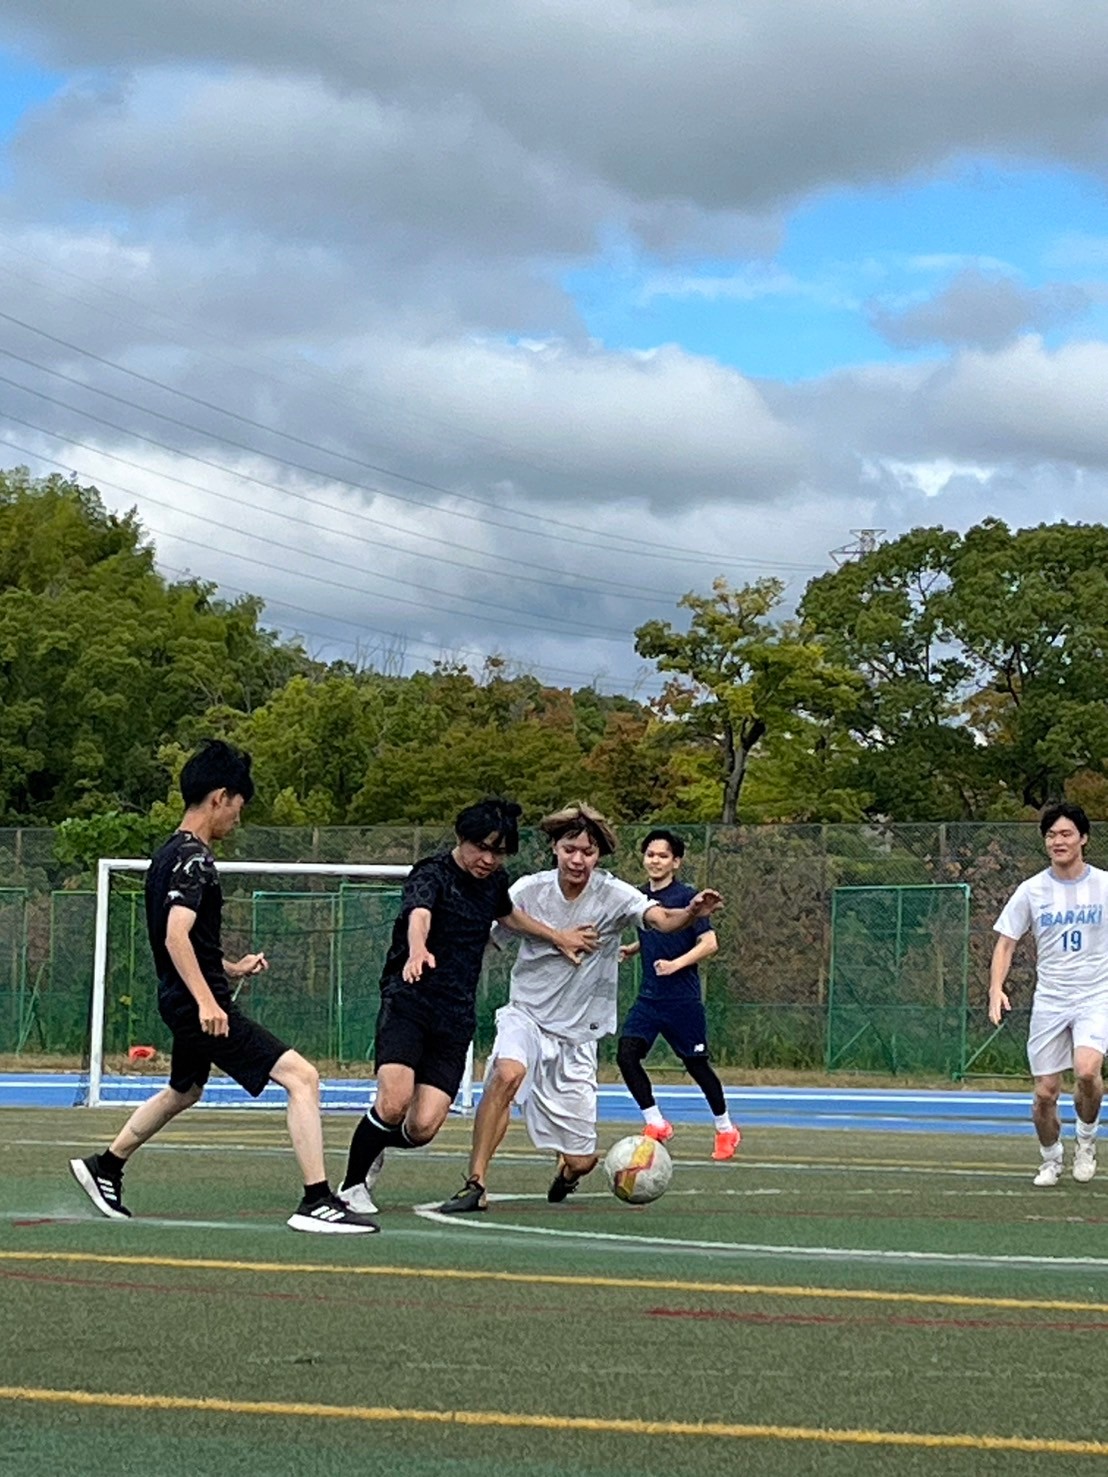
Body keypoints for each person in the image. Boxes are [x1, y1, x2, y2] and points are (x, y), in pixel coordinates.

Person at [68, 740, 379, 1233]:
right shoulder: (194, 858)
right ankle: (317, 1200)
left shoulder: (168, 854)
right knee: (302, 1078)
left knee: (185, 1090)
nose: (238, 817)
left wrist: (230, 968)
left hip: (182, 999)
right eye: (238, 805)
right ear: (219, 797)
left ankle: (106, 1166)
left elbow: (186, 938)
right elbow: (174, 936)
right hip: (196, 1006)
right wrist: (208, 1001)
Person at [438, 802, 723, 1213]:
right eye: (569, 849)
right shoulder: (528, 891)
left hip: (577, 1038)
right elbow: (486, 938)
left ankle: (567, 1172)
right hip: (527, 1015)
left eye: (587, 852)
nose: (577, 859)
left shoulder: (615, 894)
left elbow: (661, 918)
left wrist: (692, 911)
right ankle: (475, 1183)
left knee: (582, 1160)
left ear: (598, 855)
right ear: (554, 848)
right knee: (506, 1074)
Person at [337, 798, 597, 1214]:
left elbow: (510, 916)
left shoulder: (494, 882)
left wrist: (558, 936)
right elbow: (418, 915)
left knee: (422, 1127)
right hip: (410, 999)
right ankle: (352, 1185)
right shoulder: (432, 873)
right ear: (462, 838)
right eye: (482, 848)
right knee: (394, 1100)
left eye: (499, 852)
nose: (489, 859)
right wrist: (417, 950)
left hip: (455, 1015)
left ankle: (377, 1140)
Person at [989, 800, 1108, 1187]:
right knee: (1045, 1094)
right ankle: (1051, 1157)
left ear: (1083, 838)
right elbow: (1006, 942)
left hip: (1095, 995)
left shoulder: (1104, 885)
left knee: (1087, 1071)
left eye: (1066, 834)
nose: (1058, 841)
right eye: (1051, 835)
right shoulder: (1032, 890)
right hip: (1051, 1000)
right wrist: (995, 988)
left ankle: (1086, 1140)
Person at [616, 829, 740, 1160]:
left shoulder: (690, 898)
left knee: (696, 1065)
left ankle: (726, 1129)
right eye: (650, 854)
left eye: (663, 855)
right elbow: (657, 930)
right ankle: (656, 1123)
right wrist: (633, 948)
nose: (655, 860)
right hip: (649, 998)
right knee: (627, 1055)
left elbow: (709, 943)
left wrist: (675, 964)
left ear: (676, 862)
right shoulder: (639, 897)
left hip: (682, 1000)